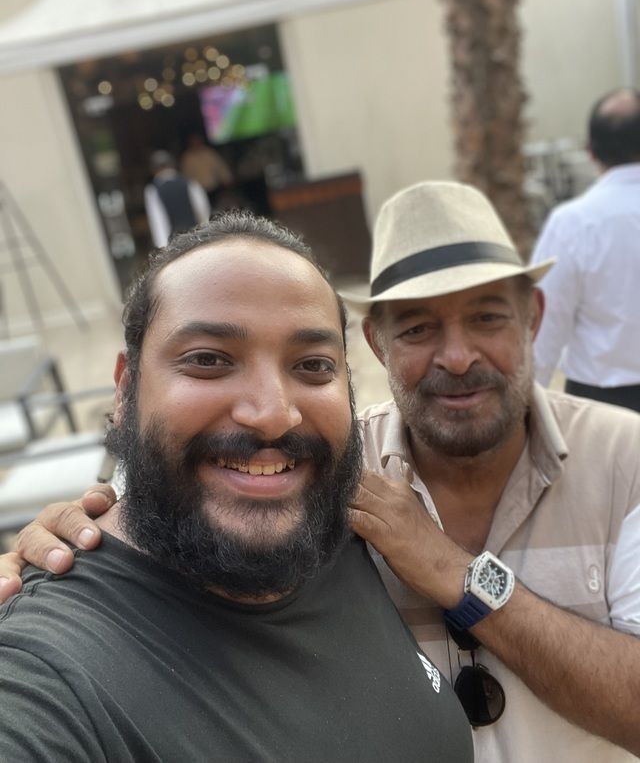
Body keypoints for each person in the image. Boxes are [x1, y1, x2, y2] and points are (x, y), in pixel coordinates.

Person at [7, 182, 640, 762]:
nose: (456, 355)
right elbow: (150, 508)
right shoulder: (320, 474)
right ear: (377, 344)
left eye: (487, 317)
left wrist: (454, 572)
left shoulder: (625, 458)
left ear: (532, 317)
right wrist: (59, 547)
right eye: (418, 327)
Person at [0, 212, 472, 762]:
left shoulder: (358, 527)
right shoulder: (49, 670)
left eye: (312, 365)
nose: (272, 414)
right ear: (126, 389)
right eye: (208, 360)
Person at [531, 87, 640, 411]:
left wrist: (527, 412)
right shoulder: (572, 222)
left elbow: (542, 324)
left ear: (589, 150)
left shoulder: (572, 223)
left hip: (600, 407)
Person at [144, 149, 211, 247]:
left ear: (153, 170)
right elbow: (202, 210)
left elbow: (157, 222)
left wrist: (163, 247)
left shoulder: (153, 190)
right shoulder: (189, 182)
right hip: (196, 238)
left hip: (174, 245)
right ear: (173, 165)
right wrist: (205, 234)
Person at [180, 132, 234, 205]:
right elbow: (186, 176)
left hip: (214, 188)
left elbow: (219, 166)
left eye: (198, 140)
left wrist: (227, 178)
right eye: (194, 141)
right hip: (199, 191)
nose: (196, 143)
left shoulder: (209, 153)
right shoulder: (187, 158)